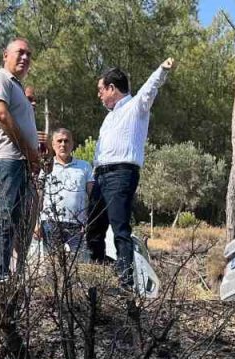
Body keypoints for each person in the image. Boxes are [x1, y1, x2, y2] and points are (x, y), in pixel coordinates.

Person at [87, 58, 174, 288]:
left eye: (100, 90)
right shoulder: (108, 118)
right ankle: (99, 278)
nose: (99, 95)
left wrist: (162, 69)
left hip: (121, 174)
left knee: (120, 230)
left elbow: (149, 89)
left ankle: (125, 284)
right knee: (93, 231)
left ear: (112, 88)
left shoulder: (136, 107)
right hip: (101, 176)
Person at [0, 39, 46, 280]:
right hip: (7, 159)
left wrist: (33, 154)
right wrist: (28, 152)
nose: (25, 57)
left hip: (20, 162)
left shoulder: (17, 88)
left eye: (29, 54)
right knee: (1, 214)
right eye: (20, 52)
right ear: (5, 55)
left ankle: (4, 274)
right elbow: (0, 114)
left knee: (15, 220)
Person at [37, 128, 93, 253]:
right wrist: (36, 223)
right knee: (52, 266)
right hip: (50, 223)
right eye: (59, 141)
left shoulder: (85, 167)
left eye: (66, 141)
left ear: (72, 144)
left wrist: (90, 222)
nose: (63, 144)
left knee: (79, 265)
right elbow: (39, 196)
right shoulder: (46, 167)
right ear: (53, 145)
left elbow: (92, 196)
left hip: (78, 224)